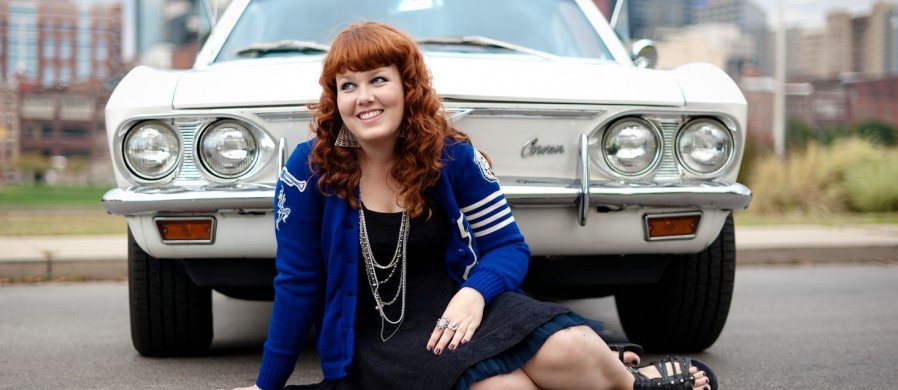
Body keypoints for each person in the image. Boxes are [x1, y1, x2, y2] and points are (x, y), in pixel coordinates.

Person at [236, 22, 716, 390]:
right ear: (334, 98)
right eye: (348, 85)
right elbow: (298, 282)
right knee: (504, 387)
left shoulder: (449, 154)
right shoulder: (310, 169)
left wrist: (474, 293)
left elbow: (507, 247)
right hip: (382, 334)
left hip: (461, 306)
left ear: (406, 86)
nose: (364, 98)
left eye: (378, 80)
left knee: (577, 347)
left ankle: (630, 382)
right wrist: (267, 384)